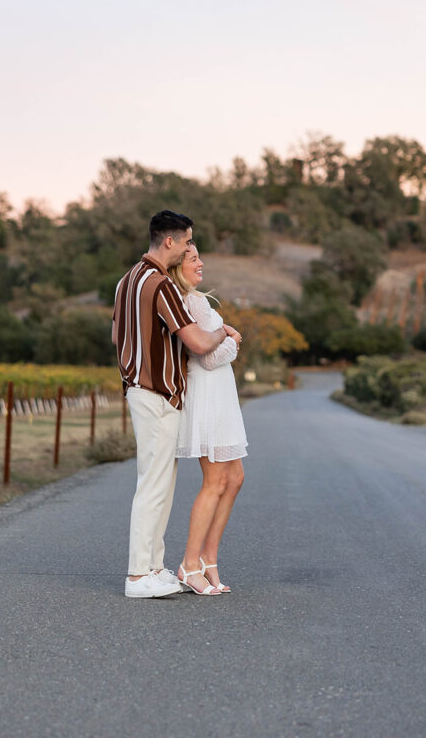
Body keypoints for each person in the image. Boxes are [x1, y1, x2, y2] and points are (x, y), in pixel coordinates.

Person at [112, 210, 241, 599]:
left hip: (138, 386)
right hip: (157, 392)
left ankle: (154, 567)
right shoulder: (161, 285)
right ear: (169, 242)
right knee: (154, 484)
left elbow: (117, 334)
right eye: (187, 242)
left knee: (159, 482)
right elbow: (200, 345)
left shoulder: (126, 281)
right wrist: (226, 331)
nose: (190, 249)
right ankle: (138, 576)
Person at [170, 245, 247, 596]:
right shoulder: (191, 302)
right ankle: (189, 564)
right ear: (179, 266)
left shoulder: (197, 300)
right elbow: (210, 357)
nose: (201, 263)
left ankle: (209, 560)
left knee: (235, 477)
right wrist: (230, 338)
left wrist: (225, 338)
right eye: (193, 259)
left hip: (221, 396)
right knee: (216, 479)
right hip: (209, 396)